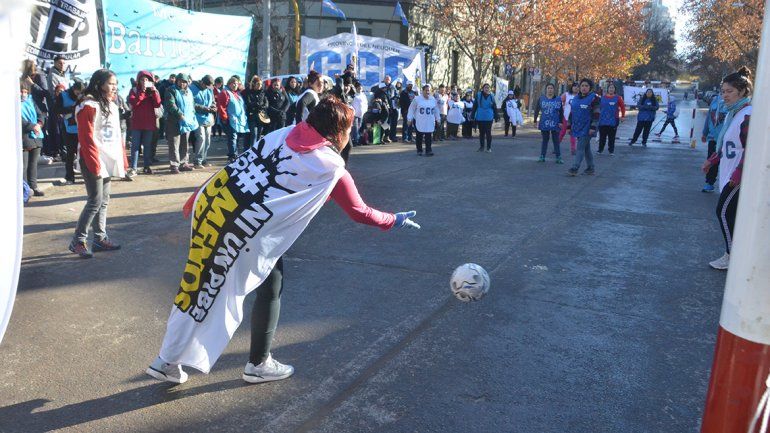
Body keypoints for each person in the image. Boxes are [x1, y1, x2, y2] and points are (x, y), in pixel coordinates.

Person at [145, 96, 420, 384]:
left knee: (200, 285)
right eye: (350, 129)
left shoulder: (282, 133)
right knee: (240, 288)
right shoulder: (330, 166)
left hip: (216, 208)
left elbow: (238, 167)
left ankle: (167, 359)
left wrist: (201, 193)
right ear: (338, 131)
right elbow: (359, 212)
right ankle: (257, 363)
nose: (350, 134)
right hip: (247, 230)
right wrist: (395, 219)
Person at [68, 69, 127, 258]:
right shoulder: (88, 105)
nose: (114, 87)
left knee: (104, 201)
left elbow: (117, 135)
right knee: (95, 200)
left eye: (116, 84)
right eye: (111, 83)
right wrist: (94, 162)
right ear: (100, 83)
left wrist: (121, 158)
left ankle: (100, 238)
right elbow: (86, 137)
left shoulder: (110, 104)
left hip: (107, 157)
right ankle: (78, 240)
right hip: (93, 158)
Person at [700, 67, 753, 271]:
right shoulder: (733, 115)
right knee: (732, 215)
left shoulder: (748, 114)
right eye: (722, 91)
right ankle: (737, 254)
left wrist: (738, 174)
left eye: (729, 91)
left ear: (742, 92)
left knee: (723, 212)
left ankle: (732, 256)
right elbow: (727, 146)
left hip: (738, 176)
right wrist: (712, 161)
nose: (724, 95)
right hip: (728, 173)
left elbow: (751, 148)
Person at [127, 70, 161, 175]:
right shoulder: (133, 90)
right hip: (137, 123)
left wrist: (154, 92)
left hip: (149, 123)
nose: (144, 81)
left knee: (147, 146)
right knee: (135, 146)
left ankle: (147, 166)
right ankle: (133, 168)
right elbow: (135, 102)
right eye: (142, 79)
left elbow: (157, 104)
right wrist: (142, 91)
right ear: (138, 81)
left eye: (147, 79)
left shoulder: (153, 91)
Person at [164, 73, 199, 174]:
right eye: (181, 81)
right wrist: (180, 114)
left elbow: (192, 104)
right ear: (177, 81)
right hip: (174, 121)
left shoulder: (189, 92)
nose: (183, 83)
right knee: (174, 144)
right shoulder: (171, 90)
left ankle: (184, 163)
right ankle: (174, 164)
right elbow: (171, 105)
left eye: (185, 82)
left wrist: (192, 116)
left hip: (186, 121)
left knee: (185, 143)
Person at [566, 78, 600, 176]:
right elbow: (571, 113)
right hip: (577, 127)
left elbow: (596, 114)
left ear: (590, 88)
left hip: (588, 128)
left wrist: (592, 127)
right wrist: (569, 126)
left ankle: (574, 168)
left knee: (580, 147)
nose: (584, 88)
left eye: (586, 86)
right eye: (582, 86)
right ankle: (590, 168)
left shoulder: (594, 98)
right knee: (586, 148)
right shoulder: (576, 98)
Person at [55, 79, 85, 184]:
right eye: (78, 92)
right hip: (69, 129)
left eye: (81, 93)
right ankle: (69, 177)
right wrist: (71, 109)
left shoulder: (85, 96)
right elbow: (57, 110)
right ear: (74, 89)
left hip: (83, 128)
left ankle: (86, 175)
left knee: (84, 153)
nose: (79, 95)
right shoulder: (63, 95)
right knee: (70, 154)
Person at [216, 76, 250, 162]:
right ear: (229, 83)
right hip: (229, 120)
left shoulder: (237, 93)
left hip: (238, 120)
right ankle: (233, 155)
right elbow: (221, 107)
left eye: (237, 83)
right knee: (233, 137)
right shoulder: (225, 92)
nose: (235, 85)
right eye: (233, 83)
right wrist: (224, 118)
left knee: (236, 138)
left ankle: (235, 153)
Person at [20, 81, 45, 197]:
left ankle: (33, 186)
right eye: (21, 91)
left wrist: (39, 124)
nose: (23, 94)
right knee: (23, 166)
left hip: (36, 136)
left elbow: (40, 114)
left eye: (25, 92)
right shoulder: (12, 104)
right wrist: (32, 126)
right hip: (24, 137)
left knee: (33, 164)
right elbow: (19, 120)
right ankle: (25, 189)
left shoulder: (31, 101)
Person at [700, 94, 726, 193]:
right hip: (713, 138)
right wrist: (704, 133)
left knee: (725, 163)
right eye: (723, 90)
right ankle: (709, 183)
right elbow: (708, 119)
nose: (725, 93)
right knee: (712, 161)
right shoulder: (715, 101)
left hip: (727, 139)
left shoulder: (734, 104)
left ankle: (727, 184)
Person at [190, 75, 217, 168]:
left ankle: (204, 159)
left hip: (208, 118)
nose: (207, 88)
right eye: (206, 86)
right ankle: (197, 161)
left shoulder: (210, 89)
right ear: (202, 82)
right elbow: (192, 103)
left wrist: (213, 106)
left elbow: (213, 100)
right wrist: (205, 108)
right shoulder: (192, 88)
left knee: (208, 140)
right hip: (197, 117)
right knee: (201, 139)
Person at [533, 83, 563, 163]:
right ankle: (542, 156)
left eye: (551, 88)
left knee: (556, 140)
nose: (550, 90)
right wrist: (535, 120)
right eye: (548, 88)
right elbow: (537, 109)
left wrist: (561, 122)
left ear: (554, 90)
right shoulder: (541, 99)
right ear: (546, 89)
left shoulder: (558, 99)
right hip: (544, 122)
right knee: (545, 140)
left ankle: (558, 157)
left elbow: (561, 111)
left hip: (555, 122)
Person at [407, 84, 441, 156]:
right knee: (419, 136)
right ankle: (419, 150)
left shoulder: (433, 99)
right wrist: (409, 118)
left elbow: (436, 110)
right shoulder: (417, 99)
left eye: (429, 90)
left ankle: (428, 150)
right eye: (426, 90)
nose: (427, 92)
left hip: (429, 120)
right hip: (420, 120)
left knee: (428, 135)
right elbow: (411, 109)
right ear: (422, 91)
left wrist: (438, 119)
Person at [597, 83, 625, 155]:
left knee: (611, 137)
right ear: (607, 89)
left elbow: (622, 107)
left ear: (615, 89)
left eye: (613, 88)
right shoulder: (602, 97)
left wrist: (623, 116)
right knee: (602, 136)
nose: (611, 89)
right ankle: (600, 150)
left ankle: (611, 151)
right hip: (602, 120)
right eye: (610, 88)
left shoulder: (618, 98)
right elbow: (598, 107)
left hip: (613, 120)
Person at [241, 75, 268, 147]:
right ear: (254, 84)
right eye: (258, 84)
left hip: (261, 116)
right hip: (252, 116)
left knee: (259, 134)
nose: (260, 86)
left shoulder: (262, 92)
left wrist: (263, 106)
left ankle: (257, 150)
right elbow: (248, 103)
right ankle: (252, 150)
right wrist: (257, 105)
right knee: (254, 134)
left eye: (261, 84)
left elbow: (266, 102)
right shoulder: (249, 92)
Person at [472, 83, 498, 152]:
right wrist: (472, 115)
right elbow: (475, 106)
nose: (487, 89)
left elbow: (494, 106)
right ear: (483, 88)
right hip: (480, 116)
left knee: (488, 132)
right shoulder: (478, 95)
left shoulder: (492, 96)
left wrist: (496, 115)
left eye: (488, 88)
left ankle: (489, 148)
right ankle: (482, 147)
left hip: (489, 117)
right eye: (485, 87)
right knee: (481, 133)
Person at [370, 75, 396, 143]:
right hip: (382, 113)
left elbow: (388, 101)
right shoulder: (380, 94)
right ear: (382, 88)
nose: (386, 88)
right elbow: (381, 104)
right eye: (384, 87)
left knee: (386, 126)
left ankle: (384, 138)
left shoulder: (385, 93)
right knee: (382, 126)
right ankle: (379, 139)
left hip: (386, 111)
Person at [559, 82, 579, 155]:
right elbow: (559, 102)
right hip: (566, 117)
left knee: (573, 133)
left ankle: (573, 149)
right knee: (562, 132)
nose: (576, 88)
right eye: (574, 86)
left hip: (575, 118)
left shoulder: (580, 96)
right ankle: (556, 147)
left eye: (577, 87)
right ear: (572, 87)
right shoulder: (566, 94)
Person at [351, 82, 368, 146]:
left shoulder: (363, 95)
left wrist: (365, 110)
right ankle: (355, 141)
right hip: (355, 114)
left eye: (361, 87)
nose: (360, 88)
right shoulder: (354, 95)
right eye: (358, 87)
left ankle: (358, 140)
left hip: (361, 114)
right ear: (356, 88)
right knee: (355, 128)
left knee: (360, 127)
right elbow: (351, 104)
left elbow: (366, 103)